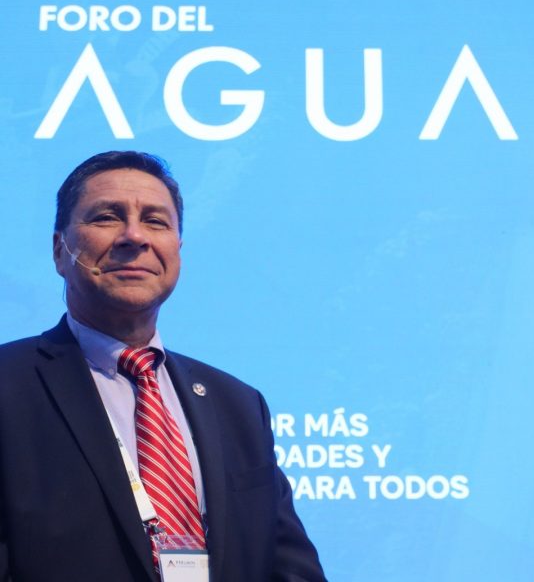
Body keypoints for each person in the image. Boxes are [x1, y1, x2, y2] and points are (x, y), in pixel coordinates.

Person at [0, 151, 326, 582]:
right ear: (60, 250)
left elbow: (290, 569)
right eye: (107, 217)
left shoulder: (239, 406)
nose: (135, 236)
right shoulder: (10, 386)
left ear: (177, 252)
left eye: (156, 221)